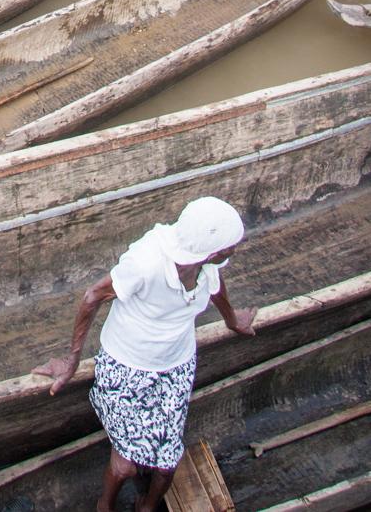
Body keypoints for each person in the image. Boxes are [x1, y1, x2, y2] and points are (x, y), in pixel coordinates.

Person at [33, 196, 257, 512]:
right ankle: (104, 506)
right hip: (126, 366)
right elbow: (93, 295)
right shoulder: (147, 263)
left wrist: (233, 321)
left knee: (166, 468)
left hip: (175, 367)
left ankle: (147, 506)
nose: (234, 250)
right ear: (215, 251)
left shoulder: (207, 265)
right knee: (124, 467)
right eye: (231, 247)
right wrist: (71, 361)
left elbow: (216, 287)